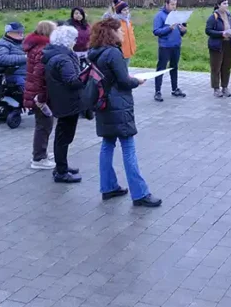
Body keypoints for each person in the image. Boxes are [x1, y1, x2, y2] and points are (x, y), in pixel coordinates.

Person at [88, 19, 161, 206]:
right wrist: (137, 81)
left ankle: (108, 187)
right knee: (128, 147)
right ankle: (140, 194)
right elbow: (123, 81)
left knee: (107, 144)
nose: (122, 33)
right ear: (111, 33)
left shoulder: (96, 52)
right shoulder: (113, 52)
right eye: (119, 30)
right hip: (118, 105)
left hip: (103, 104)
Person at [43, 25, 85, 183]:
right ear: (67, 41)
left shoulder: (57, 55)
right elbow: (72, 81)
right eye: (74, 39)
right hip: (67, 102)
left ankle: (62, 166)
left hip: (62, 100)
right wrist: (86, 77)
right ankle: (61, 171)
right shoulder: (63, 58)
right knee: (64, 137)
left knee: (63, 136)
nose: (75, 42)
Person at [23, 20, 57, 170]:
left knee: (44, 124)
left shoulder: (35, 47)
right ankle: (38, 157)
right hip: (39, 95)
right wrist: (41, 97)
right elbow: (40, 75)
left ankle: (41, 151)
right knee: (44, 125)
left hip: (34, 92)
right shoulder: (43, 49)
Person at [152, 0, 187, 102]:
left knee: (174, 67)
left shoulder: (177, 15)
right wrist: (169, 29)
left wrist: (183, 30)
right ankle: (157, 91)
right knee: (161, 68)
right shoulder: (160, 15)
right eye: (172, 4)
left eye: (175, 4)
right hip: (165, 46)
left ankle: (175, 88)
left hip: (176, 45)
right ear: (166, 4)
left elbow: (182, 30)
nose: (174, 7)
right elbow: (156, 31)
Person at [205, 0, 231, 97]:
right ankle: (216, 88)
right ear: (219, 5)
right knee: (216, 67)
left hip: (228, 44)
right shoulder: (213, 17)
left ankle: (225, 87)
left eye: (227, 3)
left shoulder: (229, 15)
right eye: (224, 3)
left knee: (226, 67)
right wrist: (221, 34)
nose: (226, 5)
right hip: (217, 45)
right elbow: (208, 31)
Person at [0, 21, 28, 88]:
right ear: (9, 32)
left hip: (30, 73)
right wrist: (25, 57)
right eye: (17, 32)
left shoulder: (24, 42)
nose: (21, 34)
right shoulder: (3, 44)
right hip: (14, 75)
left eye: (22, 31)